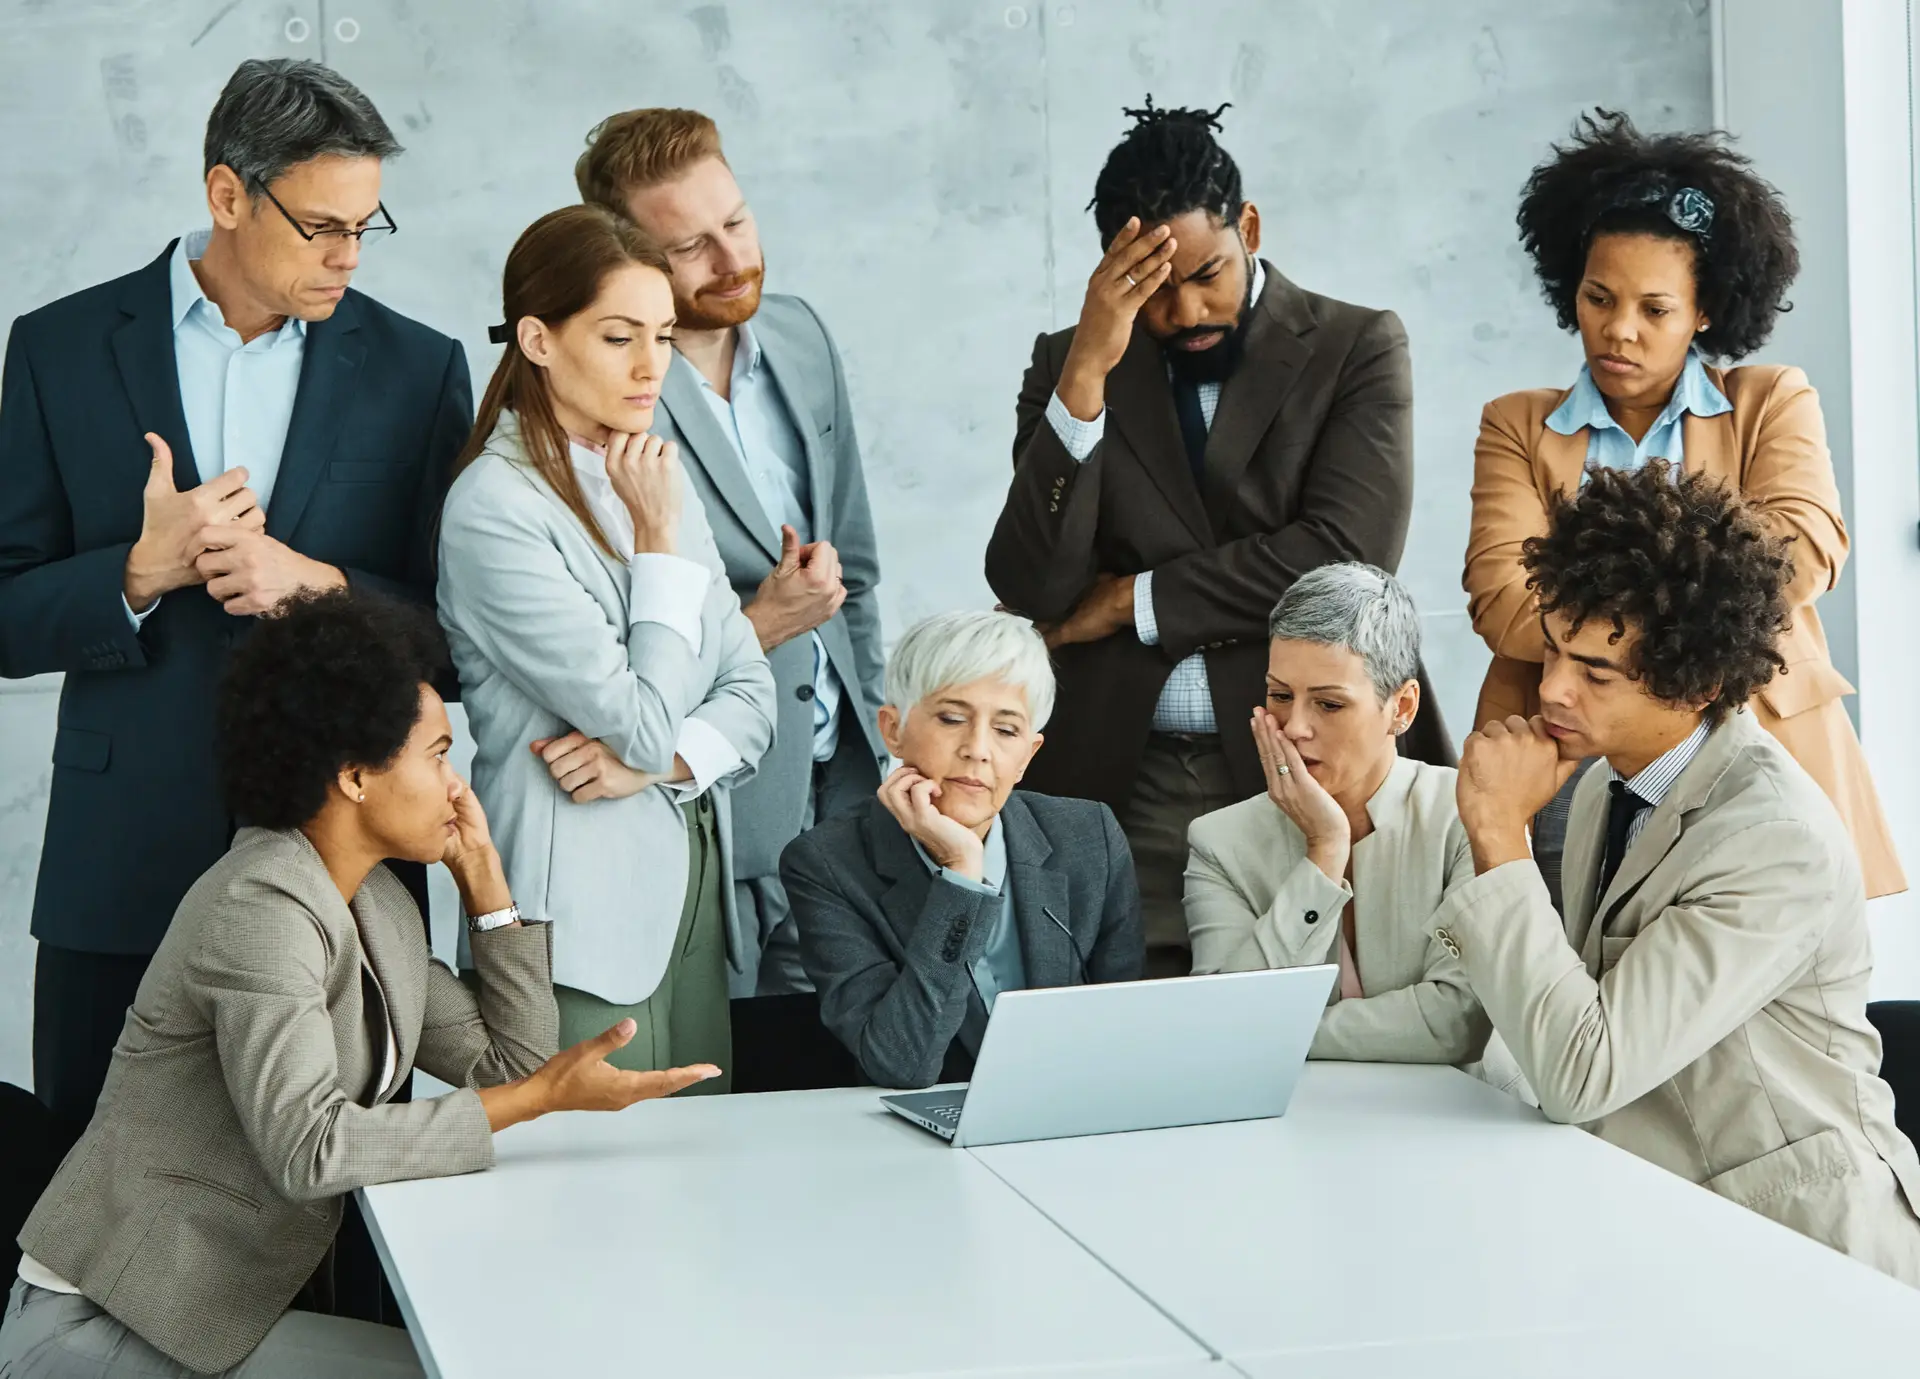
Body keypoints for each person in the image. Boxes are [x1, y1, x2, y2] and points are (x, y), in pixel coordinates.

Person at [0, 588, 717, 1377]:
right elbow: (310, 1146)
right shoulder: (259, 905)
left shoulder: (374, 900)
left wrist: (486, 884)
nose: (458, 783)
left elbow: (509, 1065)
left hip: (215, 1312)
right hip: (110, 1323)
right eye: (439, 753)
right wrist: (542, 1098)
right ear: (354, 775)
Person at [0, 58, 474, 1135]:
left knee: (341, 1221)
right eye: (321, 226)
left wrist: (321, 585)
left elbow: (459, 638)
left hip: (344, 868)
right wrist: (136, 571)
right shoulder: (59, 349)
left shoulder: (416, 368)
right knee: (90, 1191)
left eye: (367, 224)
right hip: (120, 862)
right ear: (226, 194)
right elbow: (6, 607)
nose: (349, 255)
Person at [985, 98, 1451, 981]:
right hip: (1123, 774)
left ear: (1250, 226)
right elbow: (1036, 586)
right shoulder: (1071, 361)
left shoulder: (1355, 345)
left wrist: (1132, 599)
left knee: (1331, 1024)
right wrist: (1086, 373)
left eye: (1209, 272)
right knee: (1132, 1040)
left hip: (1314, 761)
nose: (1186, 307)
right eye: (1154, 288)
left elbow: (1346, 558)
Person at [1436, 462, 1920, 1287]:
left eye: (1595, 672)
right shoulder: (1601, 784)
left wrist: (1497, 831)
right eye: (1553, 648)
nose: (1552, 688)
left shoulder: (1775, 837)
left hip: (1806, 1254)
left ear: (1696, 683)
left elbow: (1581, 1071)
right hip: (1666, 1221)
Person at [1464, 109, 1903, 905]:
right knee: (1560, 977)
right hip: (1568, 756)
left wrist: (1607, 629)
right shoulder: (1517, 424)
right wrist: (1686, 613)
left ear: (1706, 310)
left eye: (1655, 310)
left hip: (1757, 742)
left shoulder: (1771, 401)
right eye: (1598, 298)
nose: (1619, 330)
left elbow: (1803, 553)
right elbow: (1500, 598)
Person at [438, 205, 776, 1094]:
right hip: (574, 926)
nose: (650, 365)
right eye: (620, 335)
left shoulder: (656, 471)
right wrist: (660, 544)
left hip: (694, 899)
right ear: (538, 340)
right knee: (590, 1213)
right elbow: (636, 717)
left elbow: (751, 689)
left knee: (707, 1193)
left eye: (663, 336)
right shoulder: (493, 510)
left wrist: (661, 767)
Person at [577, 108, 888, 999]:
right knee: (741, 1085)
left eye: (738, 223)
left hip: (853, 780)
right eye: (690, 249)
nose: (732, 261)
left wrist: (879, 734)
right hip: (714, 794)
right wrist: (761, 623)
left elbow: (855, 568)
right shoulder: (606, 394)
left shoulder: (801, 336)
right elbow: (608, 644)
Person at [780, 611, 1144, 1089]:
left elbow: (1127, 1033)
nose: (978, 748)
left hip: (1072, 1112)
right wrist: (961, 877)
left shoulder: (1088, 835)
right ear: (893, 730)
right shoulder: (826, 864)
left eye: (1006, 730)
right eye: (952, 719)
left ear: (1028, 756)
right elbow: (900, 1065)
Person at [1184, 564, 1496, 1070]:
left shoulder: (1470, 817)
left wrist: (1276, 1031)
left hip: (1453, 1127)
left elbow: (1456, 1025)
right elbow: (1224, 1021)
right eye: (1280, 696)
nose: (1296, 727)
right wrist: (1325, 850)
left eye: (1329, 704)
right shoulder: (1219, 841)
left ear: (1403, 708)